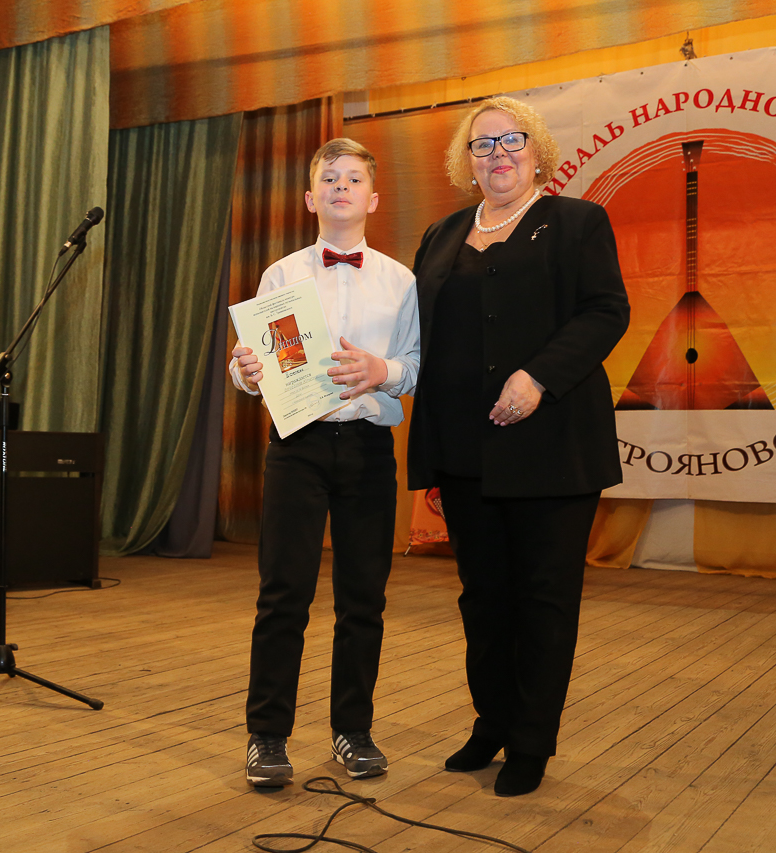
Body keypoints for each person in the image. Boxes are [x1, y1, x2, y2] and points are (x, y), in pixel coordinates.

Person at [407, 97, 630, 797]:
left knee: (544, 600)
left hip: (552, 446)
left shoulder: (578, 222)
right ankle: (492, 722)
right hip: (464, 450)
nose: (498, 153)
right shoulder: (441, 235)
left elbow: (607, 311)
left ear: (538, 152)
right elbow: (418, 334)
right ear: (466, 162)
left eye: (512, 140)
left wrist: (538, 377)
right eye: (483, 144)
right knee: (483, 599)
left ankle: (531, 741)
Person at [230, 138, 420, 788]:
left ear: (374, 197)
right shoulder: (281, 275)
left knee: (363, 598)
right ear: (311, 199)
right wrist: (245, 369)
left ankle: (353, 731)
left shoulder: (401, 280)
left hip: (368, 448)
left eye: (354, 177)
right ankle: (267, 736)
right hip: (298, 447)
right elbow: (249, 365)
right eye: (330, 177)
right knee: (283, 593)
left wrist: (380, 369)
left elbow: (415, 366)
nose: (342, 186)